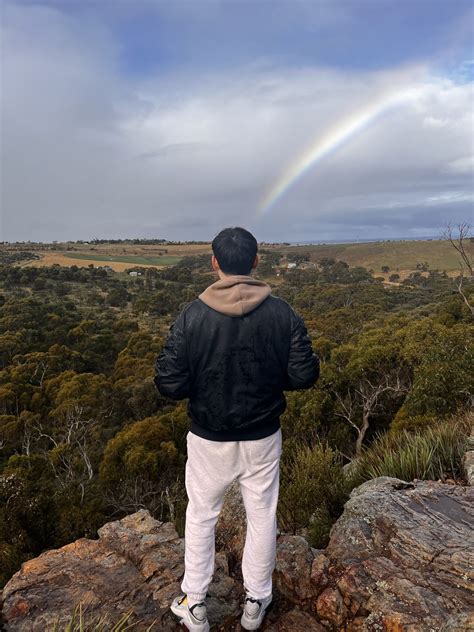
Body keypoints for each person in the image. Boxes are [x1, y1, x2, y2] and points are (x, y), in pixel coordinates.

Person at [154, 227, 319, 631]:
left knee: (201, 514)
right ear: (256, 261)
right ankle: (255, 602)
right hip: (263, 434)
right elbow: (304, 375)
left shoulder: (192, 316)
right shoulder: (282, 312)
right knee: (262, 514)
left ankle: (194, 603)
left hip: (209, 436)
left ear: (214, 263)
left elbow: (169, 384)